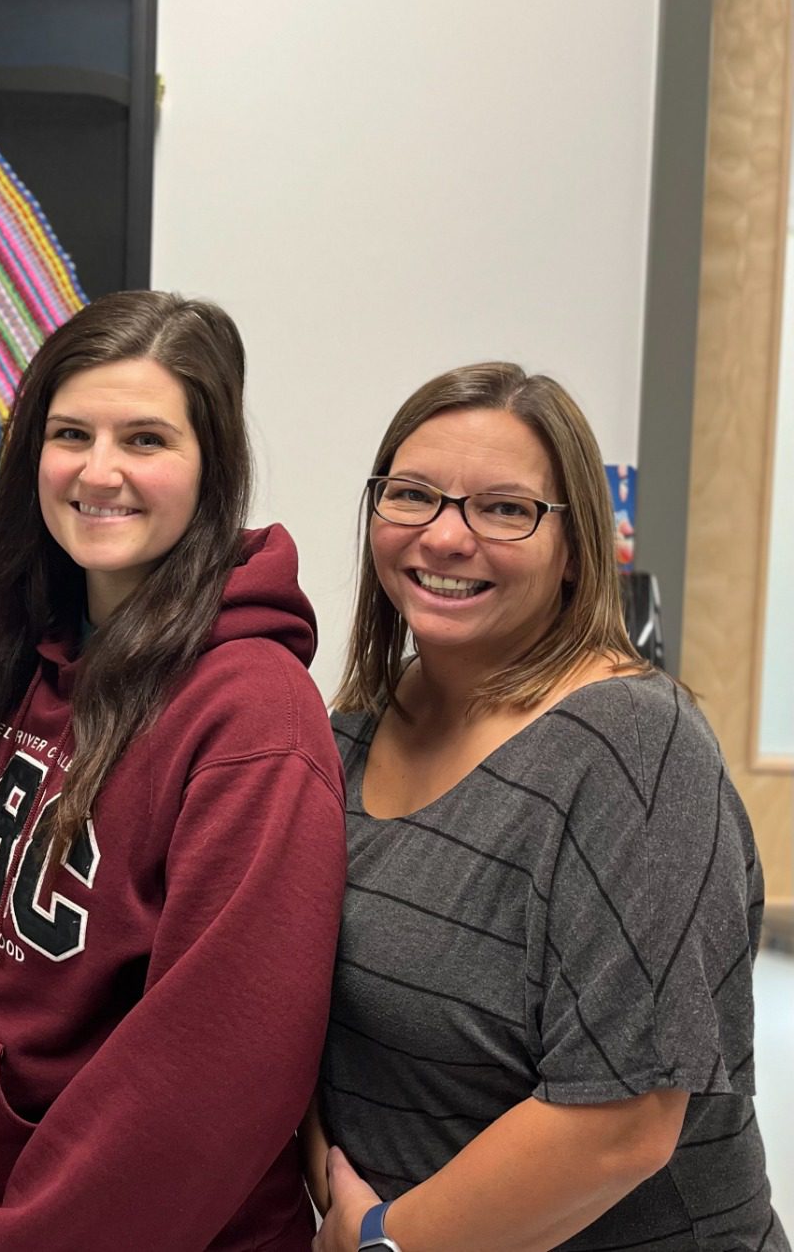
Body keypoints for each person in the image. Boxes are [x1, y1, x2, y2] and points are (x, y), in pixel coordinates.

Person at [0, 290, 346, 1251]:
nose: (100, 470)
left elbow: (212, 1081)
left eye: (147, 439)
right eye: (71, 431)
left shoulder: (254, 720)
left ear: (213, 468)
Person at [307, 362, 787, 1251]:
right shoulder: (347, 737)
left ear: (576, 548)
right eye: (412, 495)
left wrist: (382, 1240)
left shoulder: (636, 749)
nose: (447, 537)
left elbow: (622, 1124)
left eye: (504, 508)